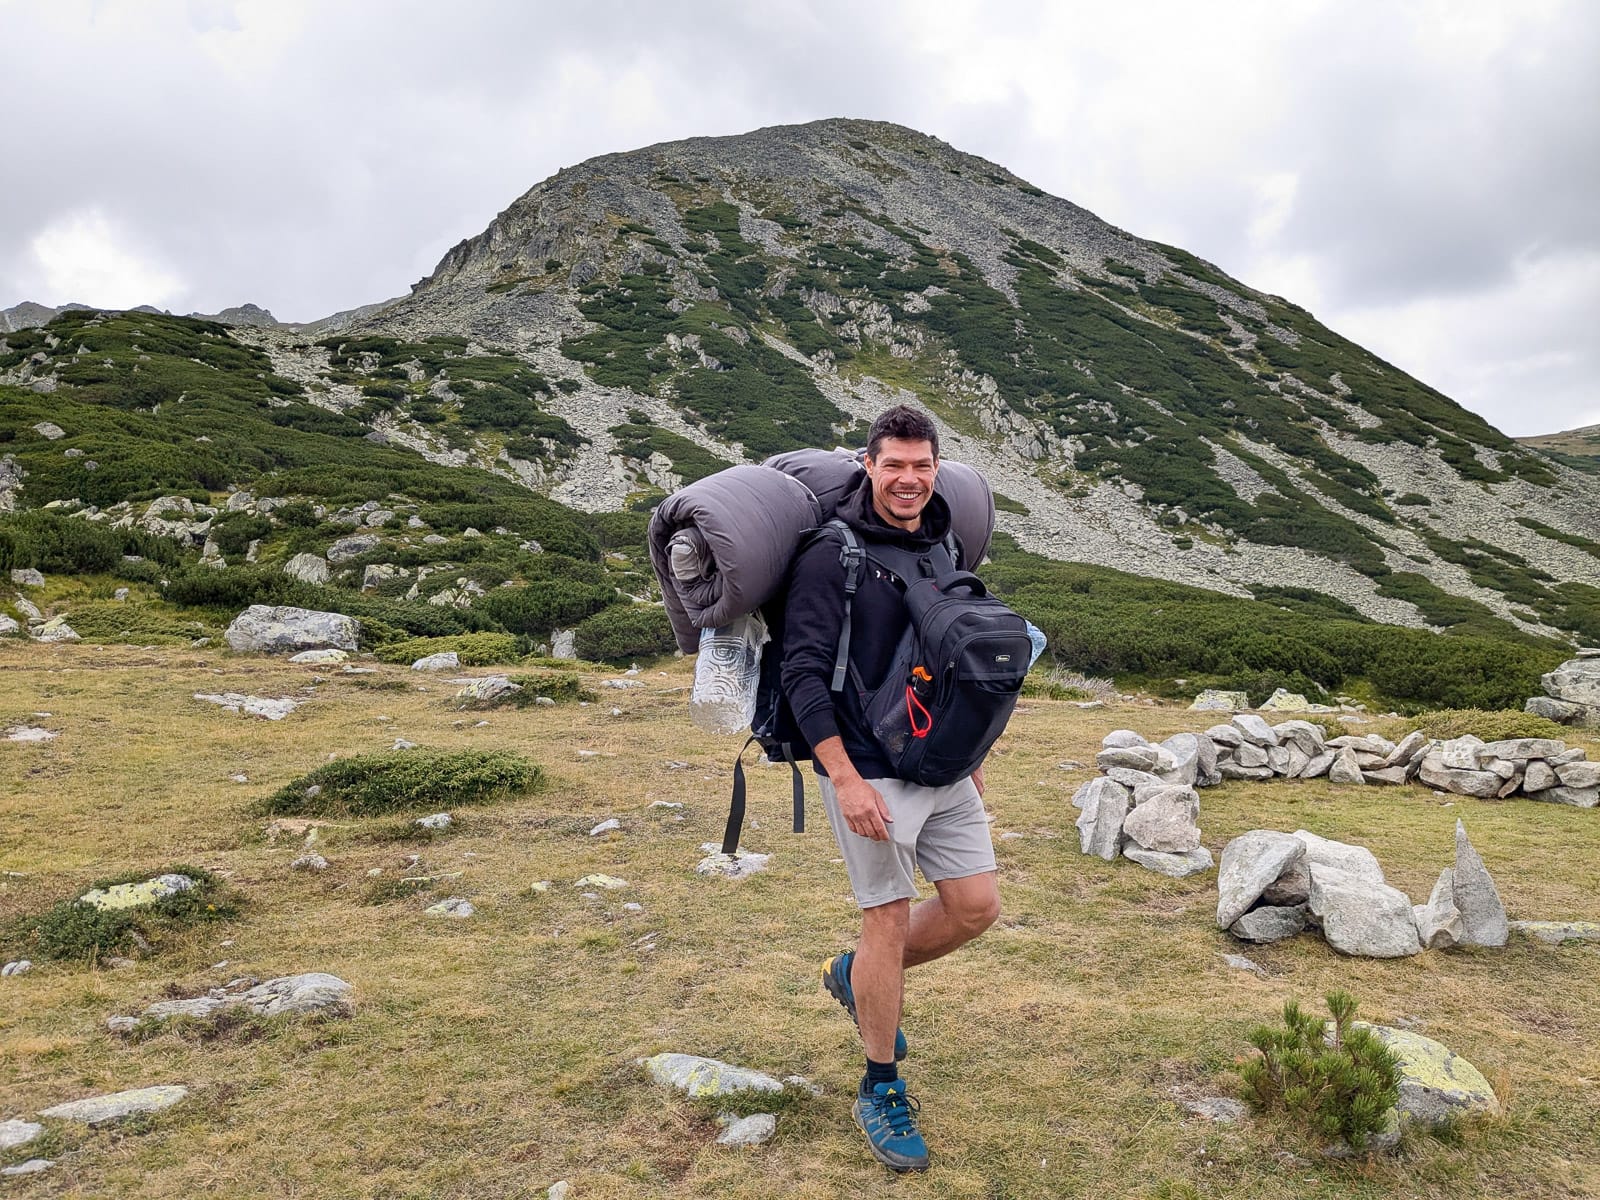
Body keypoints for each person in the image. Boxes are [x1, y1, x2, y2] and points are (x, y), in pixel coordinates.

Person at [781, 404, 1002, 1173]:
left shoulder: (944, 540)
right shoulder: (829, 554)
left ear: (936, 468)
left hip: (939, 761)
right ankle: (879, 1087)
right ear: (869, 466)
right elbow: (802, 673)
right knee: (887, 919)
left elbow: (953, 651)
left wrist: (969, 747)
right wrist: (841, 776)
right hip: (870, 765)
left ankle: (856, 978)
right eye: (894, 466)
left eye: (922, 466)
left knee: (977, 907)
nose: (909, 480)